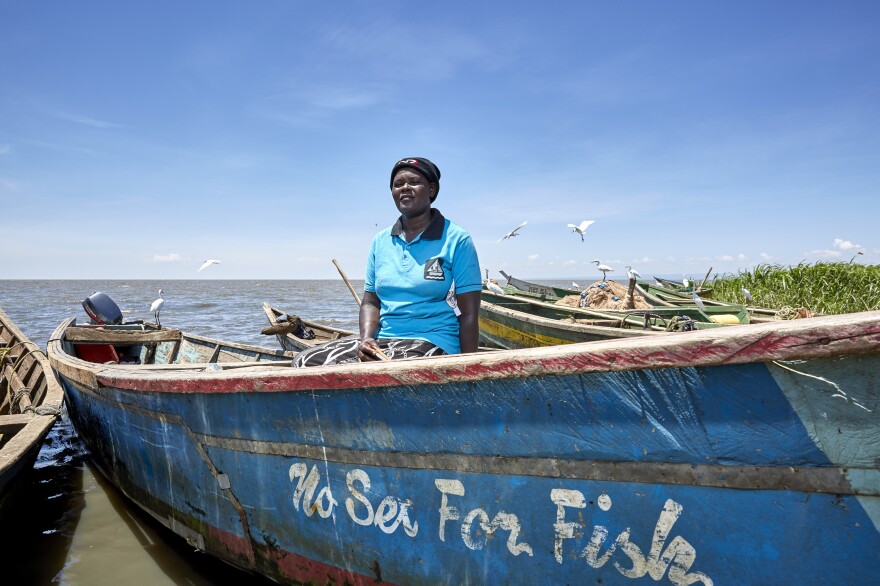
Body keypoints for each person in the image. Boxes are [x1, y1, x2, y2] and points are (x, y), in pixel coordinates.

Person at [294, 157, 482, 366]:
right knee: (304, 361)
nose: (405, 188)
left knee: (384, 369)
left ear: (431, 189)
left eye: (413, 182)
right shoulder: (380, 241)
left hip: (434, 339)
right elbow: (370, 302)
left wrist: (468, 368)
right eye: (398, 184)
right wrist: (366, 339)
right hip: (385, 339)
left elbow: (469, 314)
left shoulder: (456, 238)